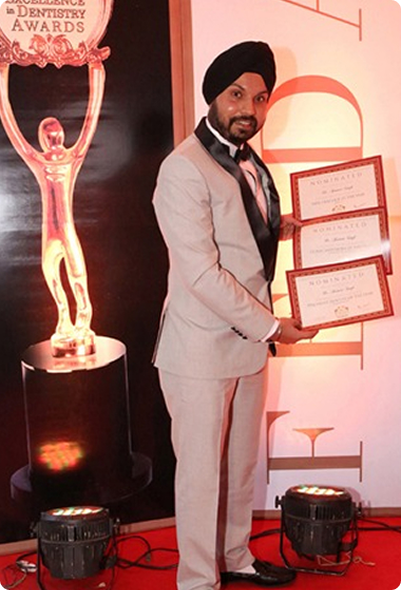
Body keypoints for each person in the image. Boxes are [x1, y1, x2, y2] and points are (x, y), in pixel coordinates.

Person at [152, 41, 318, 590]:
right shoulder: (182, 169)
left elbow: (239, 232)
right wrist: (273, 327)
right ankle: (199, 581)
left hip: (248, 346)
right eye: (237, 94)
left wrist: (279, 227)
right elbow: (201, 274)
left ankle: (236, 556)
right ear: (214, 98)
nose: (249, 107)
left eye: (260, 97)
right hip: (200, 351)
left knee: (240, 464)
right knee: (201, 476)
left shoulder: (249, 161)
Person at [0, 61, 105, 357]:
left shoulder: (73, 157)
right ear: (43, 139)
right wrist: (2, 75)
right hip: (51, 236)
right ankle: (64, 322)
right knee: (54, 279)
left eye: (56, 133)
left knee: (78, 278)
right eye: (49, 135)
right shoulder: (39, 161)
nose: (54, 139)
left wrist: (97, 72)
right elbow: (9, 123)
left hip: (66, 232)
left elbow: (91, 119)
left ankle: (83, 322)